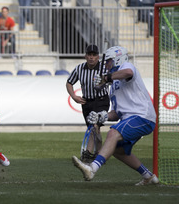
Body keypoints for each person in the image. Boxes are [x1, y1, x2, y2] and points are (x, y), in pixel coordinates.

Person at [72, 46, 159, 186]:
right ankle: (149, 176)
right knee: (118, 151)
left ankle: (92, 169)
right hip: (131, 119)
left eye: (109, 61)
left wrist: (107, 78)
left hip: (142, 116)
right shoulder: (114, 86)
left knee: (113, 133)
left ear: (118, 59)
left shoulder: (126, 66)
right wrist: (103, 116)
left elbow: (128, 72)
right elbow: (118, 113)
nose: (106, 65)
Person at [66, 44, 110, 163]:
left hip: (101, 100)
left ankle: (88, 153)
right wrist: (74, 96)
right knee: (95, 129)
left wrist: (103, 81)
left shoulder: (104, 68)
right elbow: (69, 83)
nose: (91, 57)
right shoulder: (79, 69)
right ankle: (100, 155)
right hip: (87, 102)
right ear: (85, 56)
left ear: (98, 57)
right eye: (89, 55)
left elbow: (112, 81)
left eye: (94, 55)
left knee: (94, 126)